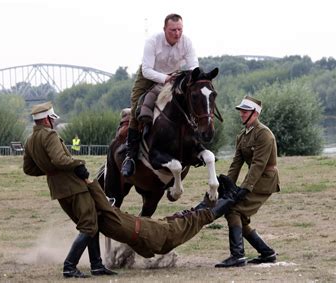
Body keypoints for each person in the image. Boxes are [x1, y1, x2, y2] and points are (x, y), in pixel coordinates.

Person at [22, 102, 117, 278]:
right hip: (73, 186)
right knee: (89, 224)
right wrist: (79, 164)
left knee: (90, 223)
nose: (54, 123)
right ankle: (69, 266)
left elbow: (28, 169)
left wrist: (50, 171)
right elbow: (60, 160)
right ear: (48, 119)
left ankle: (97, 265)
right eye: (52, 119)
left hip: (58, 189)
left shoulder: (30, 140)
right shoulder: (49, 135)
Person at [85, 174, 243, 258]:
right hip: (154, 235)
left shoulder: (104, 220)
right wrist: (89, 181)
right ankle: (231, 197)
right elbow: (102, 202)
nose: (110, 203)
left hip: (150, 232)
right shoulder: (108, 217)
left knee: (186, 216)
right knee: (194, 219)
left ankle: (215, 199)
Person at [121, 13, 199, 177]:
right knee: (137, 110)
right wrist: (165, 78)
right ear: (164, 29)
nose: (177, 33)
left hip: (175, 77)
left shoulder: (187, 42)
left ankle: (195, 146)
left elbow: (193, 67)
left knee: (191, 105)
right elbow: (147, 70)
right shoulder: (152, 41)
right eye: (172, 30)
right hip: (149, 77)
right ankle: (130, 157)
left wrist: (187, 81)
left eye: (179, 29)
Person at [215, 96, 280, 268]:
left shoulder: (264, 134)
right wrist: (227, 184)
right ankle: (267, 253)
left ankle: (237, 256)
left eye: (245, 111)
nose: (242, 114)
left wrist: (245, 188)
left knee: (234, 210)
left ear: (255, 113)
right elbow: (236, 164)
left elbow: (258, 165)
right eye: (241, 111)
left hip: (265, 180)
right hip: (255, 179)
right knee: (238, 215)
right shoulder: (242, 137)